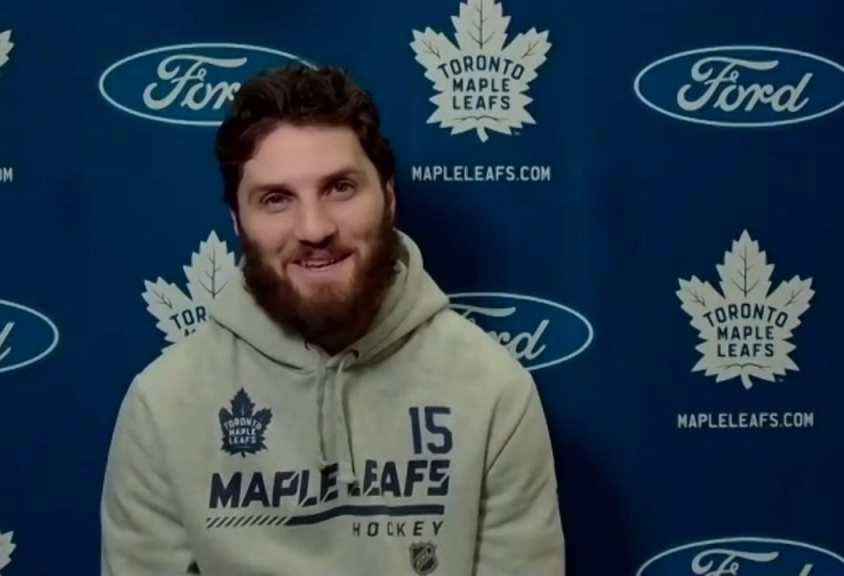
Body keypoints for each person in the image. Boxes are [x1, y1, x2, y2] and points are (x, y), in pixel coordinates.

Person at [100, 63, 565, 576]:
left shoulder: (493, 391)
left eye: (340, 188)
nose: (315, 227)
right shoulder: (163, 405)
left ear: (388, 196)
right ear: (237, 220)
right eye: (276, 199)